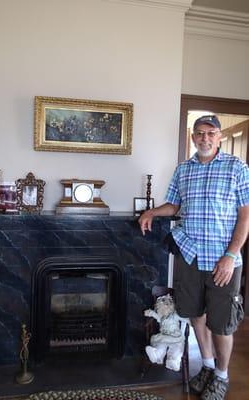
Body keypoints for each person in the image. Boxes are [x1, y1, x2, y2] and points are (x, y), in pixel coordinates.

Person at [139, 115, 249, 400]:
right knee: (195, 315)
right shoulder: (183, 169)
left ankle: (222, 376)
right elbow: (174, 204)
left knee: (222, 323)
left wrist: (231, 255)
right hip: (190, 256)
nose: (205, 138)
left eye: (211, 133)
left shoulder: (236, 167)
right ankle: (208, 367)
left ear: (219, 136)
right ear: (192, 137)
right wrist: (151, 211)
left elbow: (245, 215)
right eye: (200, 133)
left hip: (223, 260)